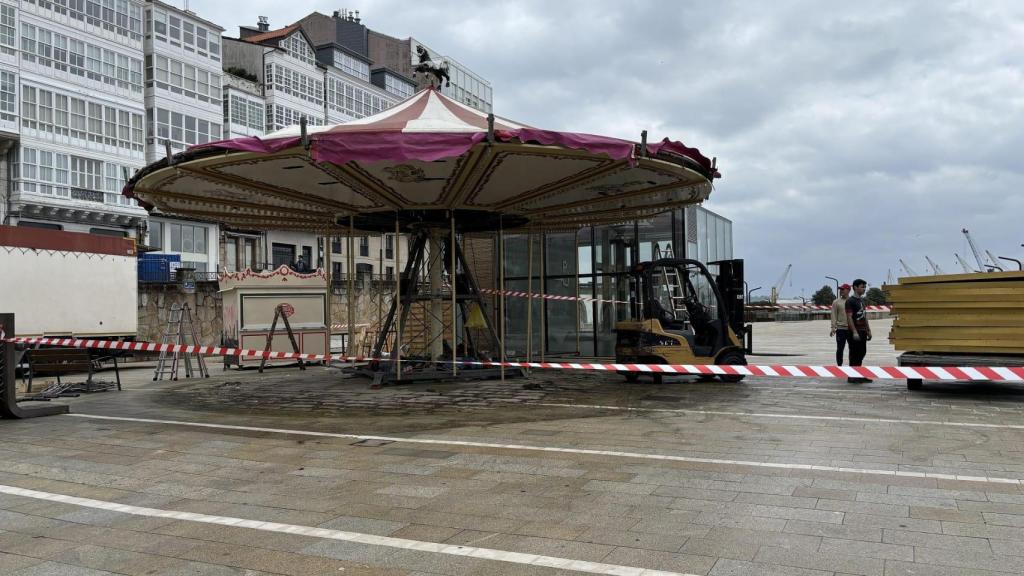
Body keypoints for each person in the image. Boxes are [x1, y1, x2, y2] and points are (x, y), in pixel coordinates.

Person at [844, 279, 872, 383]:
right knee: (854, 354)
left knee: (862, 353)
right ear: (855, 287)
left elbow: (864, 316)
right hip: (854, 332)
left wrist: (868, 330)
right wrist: (854, 332)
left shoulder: (862, 301)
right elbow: (849, 317)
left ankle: (858, 374)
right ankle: (852, 376)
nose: (864, 289)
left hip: (863, 331)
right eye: (862, 287)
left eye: (865, 287)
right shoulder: (850, 301)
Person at [830, 284, 851, 365]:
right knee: (840, 349)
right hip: (840, 329)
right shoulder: (836, 302)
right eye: (840, 289)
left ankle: (852, 366)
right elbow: (833, 315)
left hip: (851, 329)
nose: (841, 291)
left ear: (848, 290)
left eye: (843, 289)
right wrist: (833, 327)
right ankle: (839, 366)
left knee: (852, 349)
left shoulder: (852, 301)